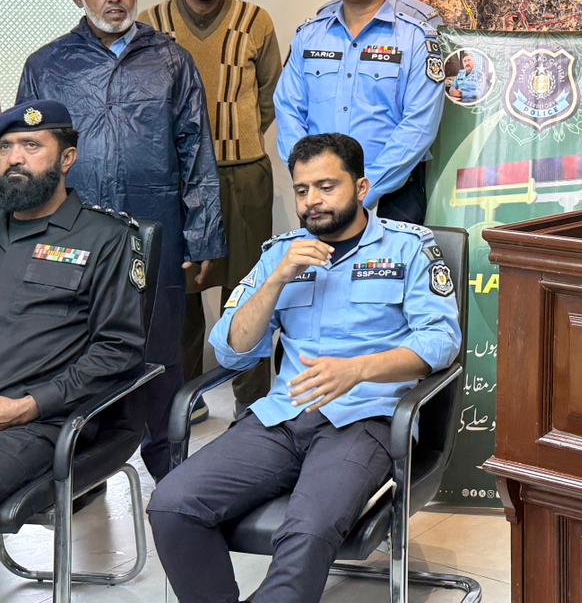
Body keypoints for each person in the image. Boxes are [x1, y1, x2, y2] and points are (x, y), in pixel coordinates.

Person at [148, 132, 462, 603]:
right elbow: (232, 351)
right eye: (301, 189)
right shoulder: (281, 253)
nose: (312, 200)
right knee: (172, 504)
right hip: (283, 416)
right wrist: (275, 281)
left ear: (361, 187)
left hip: (367, 420)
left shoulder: (409, 248)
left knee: (307, 530)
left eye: (326, 186)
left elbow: (441, 342)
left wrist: (358, 370)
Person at [17, 0, 225, 478]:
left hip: (155, 230)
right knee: (71, 345)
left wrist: (202, 235)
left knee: (159, 351)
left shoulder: (170, 59)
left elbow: (196, 149)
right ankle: (78, 475)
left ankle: (171, 476)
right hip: (74, 232)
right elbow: (27, 152)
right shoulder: (47, 65)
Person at [140, 0, 283, 418]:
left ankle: (251, 399)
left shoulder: (255, 20)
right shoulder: (152, 23)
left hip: (242, 175)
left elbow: (269, 94)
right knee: (178, 287)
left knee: (247, 287)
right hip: (175, 178)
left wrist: (236, 137)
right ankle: (187, 399)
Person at [0, 100, 145, 502]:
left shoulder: (106, 238)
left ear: (67, 159)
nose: (14, 158)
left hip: (37, 422)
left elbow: (118, 349)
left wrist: (29, 406)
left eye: (31, 146)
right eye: (5, 146)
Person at [275, 0, 446, 225]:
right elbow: (288, 110)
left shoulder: (416, 38)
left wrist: (364, 188)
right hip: (321, 198)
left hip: (392, 196)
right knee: (316, 259)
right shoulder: (309, 36)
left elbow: (419, 125)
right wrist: (309, 176)